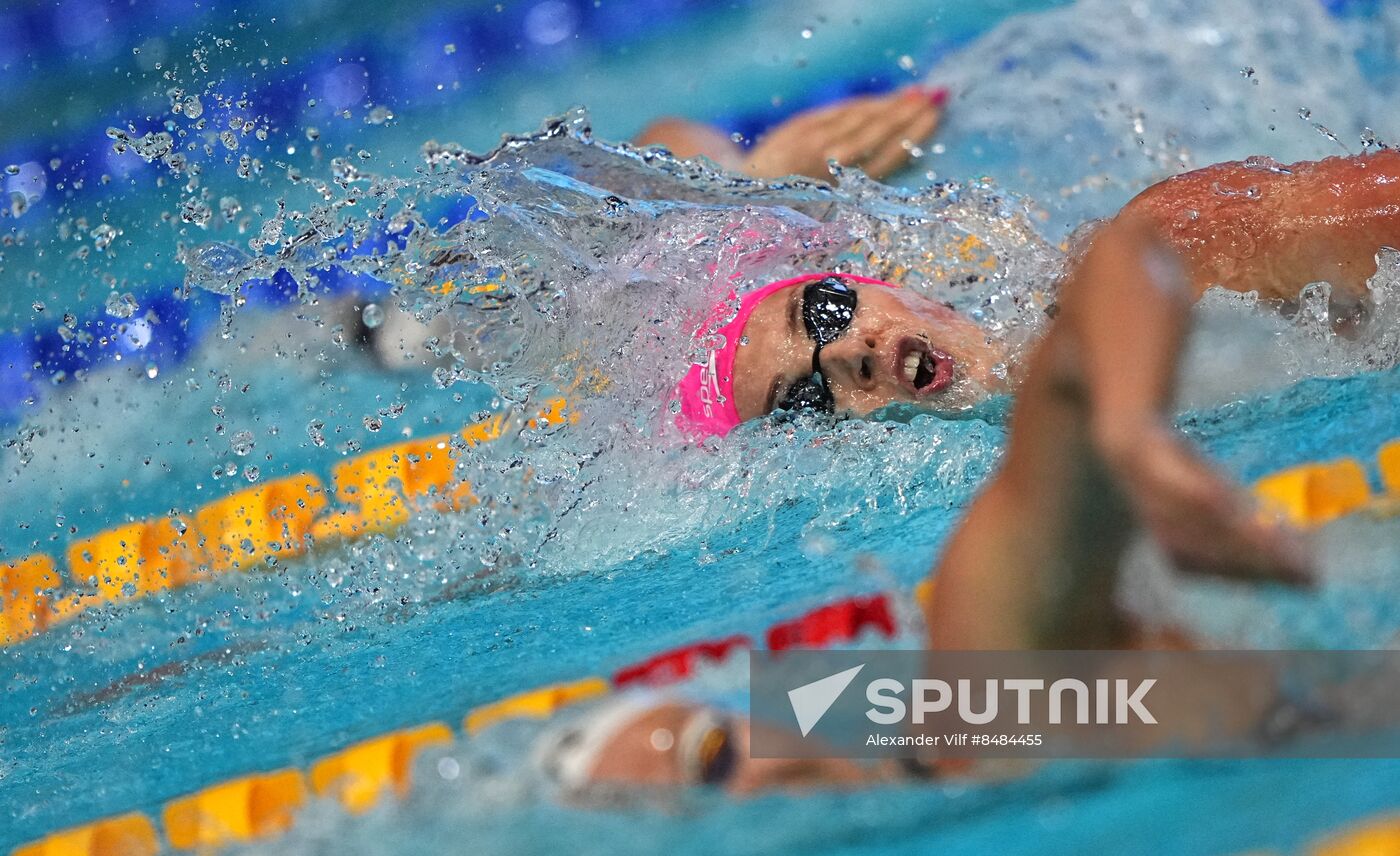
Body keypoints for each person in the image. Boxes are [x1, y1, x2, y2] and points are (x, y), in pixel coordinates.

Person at [529, 149, 1400, 795]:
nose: (854, 355)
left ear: (889, 284)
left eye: (828, 309)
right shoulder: (962, 697)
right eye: (804, 401)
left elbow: (1140, 267)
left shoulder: (1178, 253)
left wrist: (1127, 423)